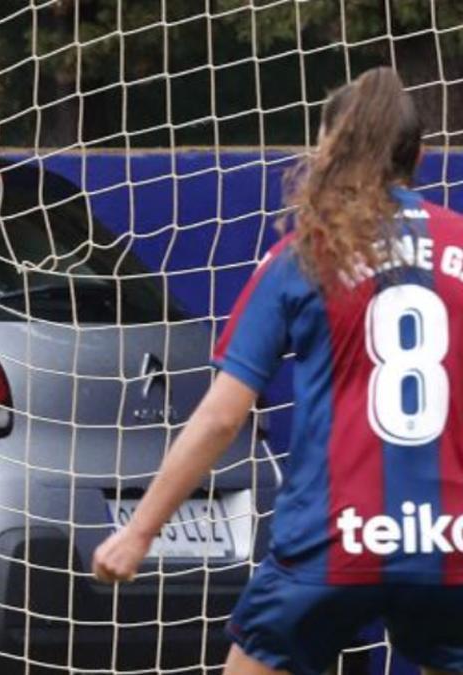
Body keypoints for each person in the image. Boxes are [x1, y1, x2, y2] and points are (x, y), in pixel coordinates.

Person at [92, 66, 463, 675]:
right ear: (420, 155)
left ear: (326, 146)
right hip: (448, 544)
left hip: (334, 541)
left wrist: (140, 532)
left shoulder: (306, 253)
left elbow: (219, 417)